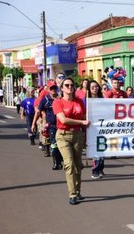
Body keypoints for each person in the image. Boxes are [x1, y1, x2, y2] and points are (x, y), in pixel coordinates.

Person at [53, 77, 90, 205]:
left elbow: (86, 118)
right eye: (67, 85)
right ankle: (72, 194)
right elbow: (63, 120)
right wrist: (81, 122)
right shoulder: (58, 102)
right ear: (62, 88)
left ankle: (78, 190)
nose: (70, 87)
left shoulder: (79, 102)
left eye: (72, 85)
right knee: (69, 163)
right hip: (63, 135)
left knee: (78, 165)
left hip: (78, 135)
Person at [32, 80, 63, 170]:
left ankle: (61, 160)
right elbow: (38, 112)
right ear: (48, 89)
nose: (53, 90)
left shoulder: (61, 98)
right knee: (53, 145)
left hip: (62, 126)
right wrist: (33, 124)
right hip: (52, 126)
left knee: (62, 144)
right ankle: (56, 163)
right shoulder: (44, 99)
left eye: (55, 88)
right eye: (51, 88)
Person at [88, 80, 106, 179]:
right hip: (92, 128)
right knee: (96, 149)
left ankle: (100, 168)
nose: (95, 88)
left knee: (102, 149)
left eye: (96, 86)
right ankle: (95, 170)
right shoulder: (86, 100)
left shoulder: (102, 100)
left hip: (102, 127)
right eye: (93, 87)